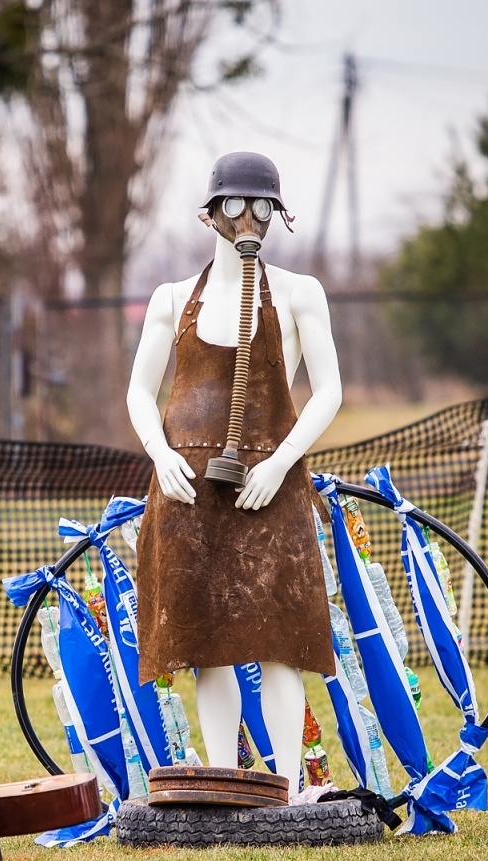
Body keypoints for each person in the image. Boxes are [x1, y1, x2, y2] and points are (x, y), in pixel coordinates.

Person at [124, 152, 342, 796]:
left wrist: (280, 463)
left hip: (269, 492)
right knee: (205, 646)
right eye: (236, 205)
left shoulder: (300, 292)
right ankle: (222, 781)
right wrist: (161, 455)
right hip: (189, 495)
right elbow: (140, 392)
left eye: (262, 206)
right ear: (210, 212)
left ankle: (286, 784)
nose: (249, 218)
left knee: (281, 643)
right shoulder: (170, 301)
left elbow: (329, 391)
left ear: (279, 213)